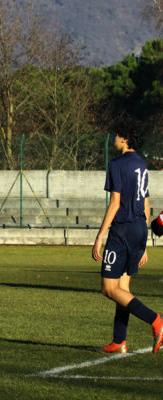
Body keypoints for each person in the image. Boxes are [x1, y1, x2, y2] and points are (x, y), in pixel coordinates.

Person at [92, 118, 163, 354]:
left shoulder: (117, 164)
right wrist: (144, 244)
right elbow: (146, 202)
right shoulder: (141, 164)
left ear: (125, 138)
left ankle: (156, 321)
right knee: (123, 287)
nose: (114, 139)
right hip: (139, 228)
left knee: (108, 288)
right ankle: (119, 340)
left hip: (122, 230)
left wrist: (100, 236)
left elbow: (115, 203)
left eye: (117, 135)